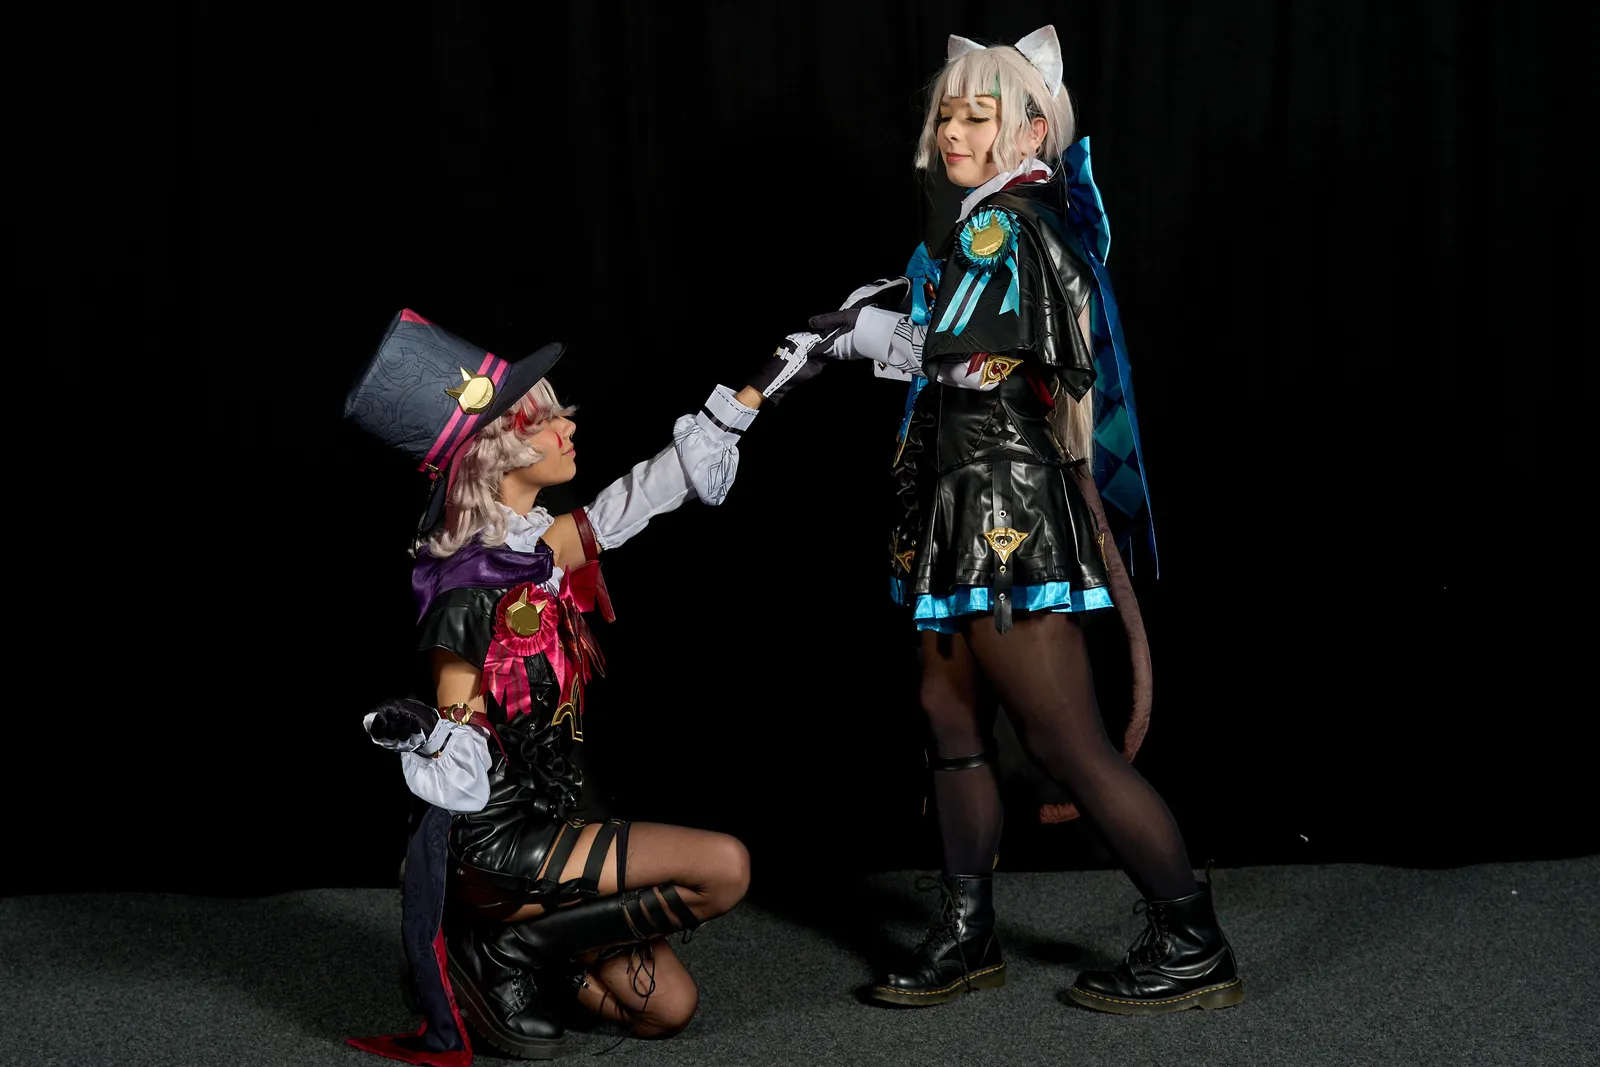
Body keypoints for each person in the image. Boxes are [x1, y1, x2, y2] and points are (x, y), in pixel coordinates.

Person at [795, 26, 1244, 1015]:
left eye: (977, 115)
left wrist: (872, 336)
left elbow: (980, 366)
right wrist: (871, 330)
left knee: (1065, 741)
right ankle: (966, 934)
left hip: (1003, 515)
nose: (952, 132)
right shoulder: (985, 224)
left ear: (1031, 129)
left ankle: (1191, 939)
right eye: (945, 115)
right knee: (948, 719)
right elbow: (962, 348)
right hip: (957, 512)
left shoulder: (1006, 225)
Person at [342, 309, 826, 1063]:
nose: (568, 427)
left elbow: (638, 497)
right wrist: (432, 734)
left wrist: (752, 394)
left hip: (559, 819)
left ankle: (513, 952)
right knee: (725, 867)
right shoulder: (465, 591)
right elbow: (455, 754)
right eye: (546, 422)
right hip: (498, 845)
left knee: (668, 1009)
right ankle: (502, 951)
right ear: (496, 452)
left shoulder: (533, 551)